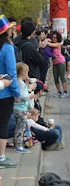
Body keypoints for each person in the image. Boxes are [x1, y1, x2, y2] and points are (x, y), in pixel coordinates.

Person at [0, 15, 20, 168]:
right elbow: (12, 73)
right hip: (5, 92)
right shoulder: (7, 48)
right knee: (3, 124)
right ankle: (1, 157)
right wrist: (17, 92)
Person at [13, 62, 37, 153]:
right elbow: (22, 95)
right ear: (23, 73)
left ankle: (19, 144)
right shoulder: (20, 84)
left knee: (20, 127)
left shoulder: (18, 82)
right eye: (27, 72)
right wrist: (30, 96)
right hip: (21, 109)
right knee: (21, 128)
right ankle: (18, 146)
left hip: (18, 108)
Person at [47, 31, 69, 98]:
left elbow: (50, 45)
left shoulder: (58, 44)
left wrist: (46, 41)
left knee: (62, 77)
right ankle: (58, 91)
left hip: (60, 62)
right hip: (55, 63)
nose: (54, 39)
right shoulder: (52, 44)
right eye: (53, 37)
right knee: (55, 78)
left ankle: (65, 92)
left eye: (55, 38)